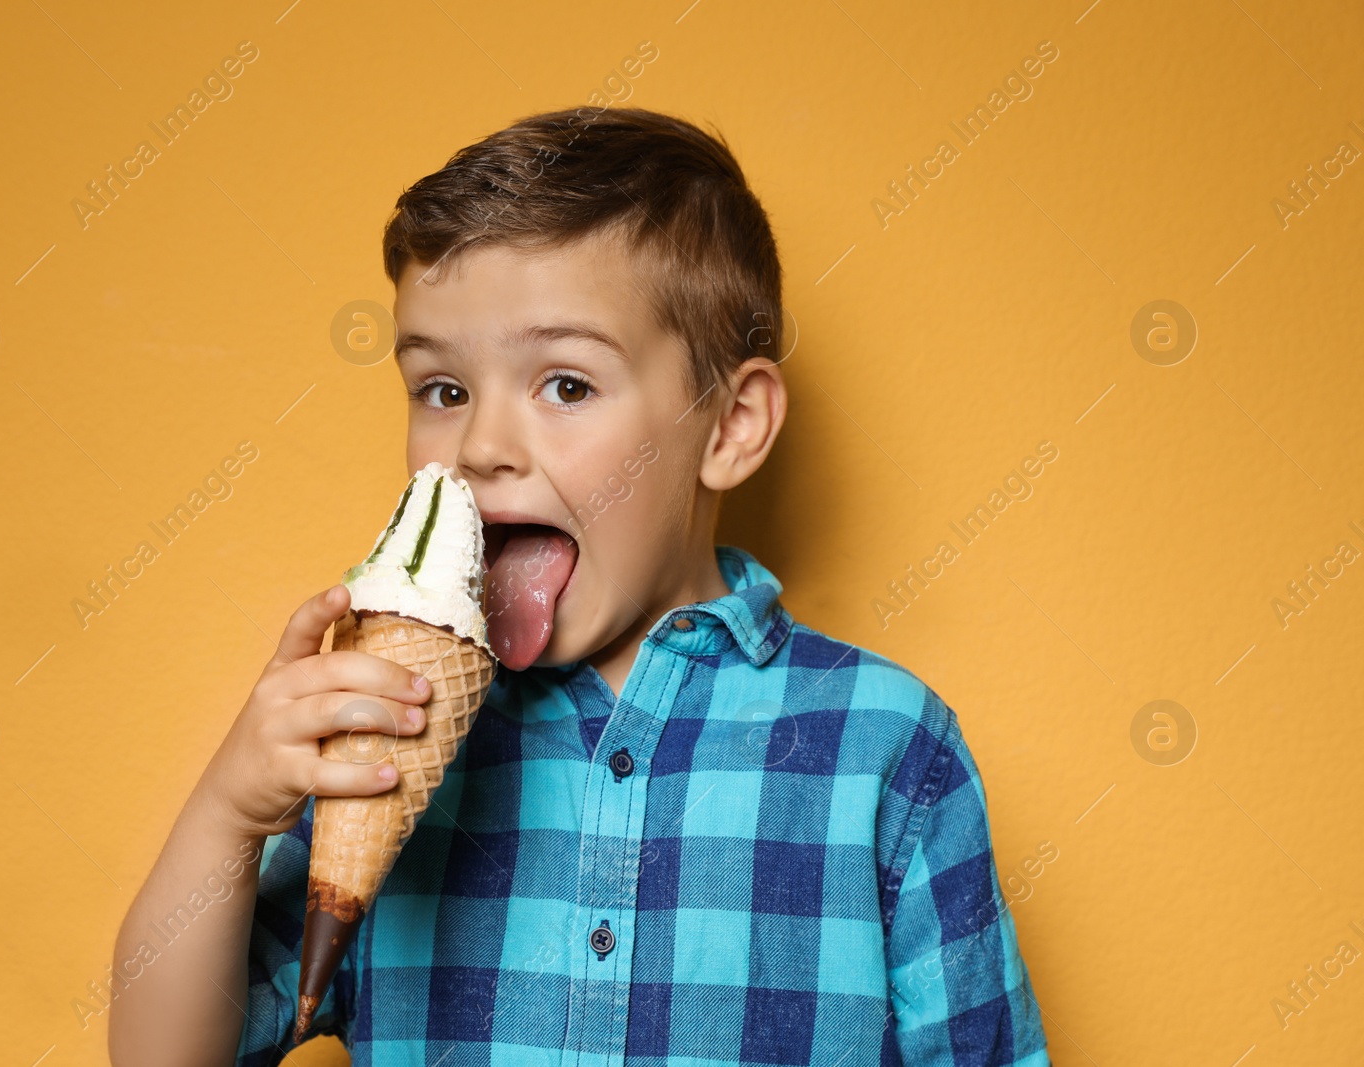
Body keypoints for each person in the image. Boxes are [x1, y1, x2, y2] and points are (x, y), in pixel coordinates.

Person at [108, 106, 1050, 1067]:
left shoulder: (885, 745)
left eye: (565, 384)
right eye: (443, 389)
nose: (479, 445)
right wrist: (230, 809)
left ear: (729, 426)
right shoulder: (386, 737)